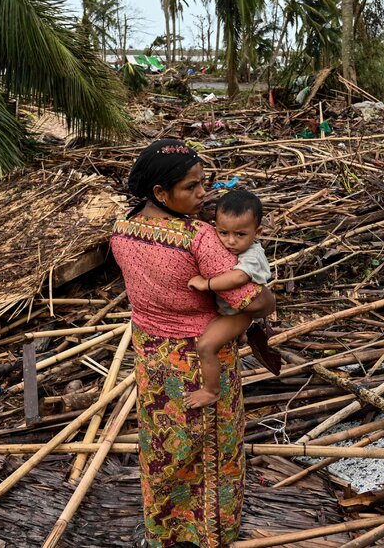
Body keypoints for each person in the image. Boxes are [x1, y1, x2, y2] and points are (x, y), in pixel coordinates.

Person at [110, 139, 276, 548]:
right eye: (192, 187)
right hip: (201, 356)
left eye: (204, 183)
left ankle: (164, 528)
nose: (204, 194)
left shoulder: (122, 231)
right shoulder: (199, 237)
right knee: (212, 446)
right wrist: (269, 298)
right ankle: (210, 534)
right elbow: (251, 301)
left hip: (150, 355)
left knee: (163, 443)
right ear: (161, 194)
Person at [185, 190, 273, 408]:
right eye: (223, 233)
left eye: (240, 235)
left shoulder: (252, 256)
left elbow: (238, 277)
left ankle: (211, 391)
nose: (230, 241)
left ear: (257, 232)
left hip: (240, 313)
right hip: (230, 310)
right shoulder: (228, 244)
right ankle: (240, 336)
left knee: (206, 346)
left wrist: (206, 284)